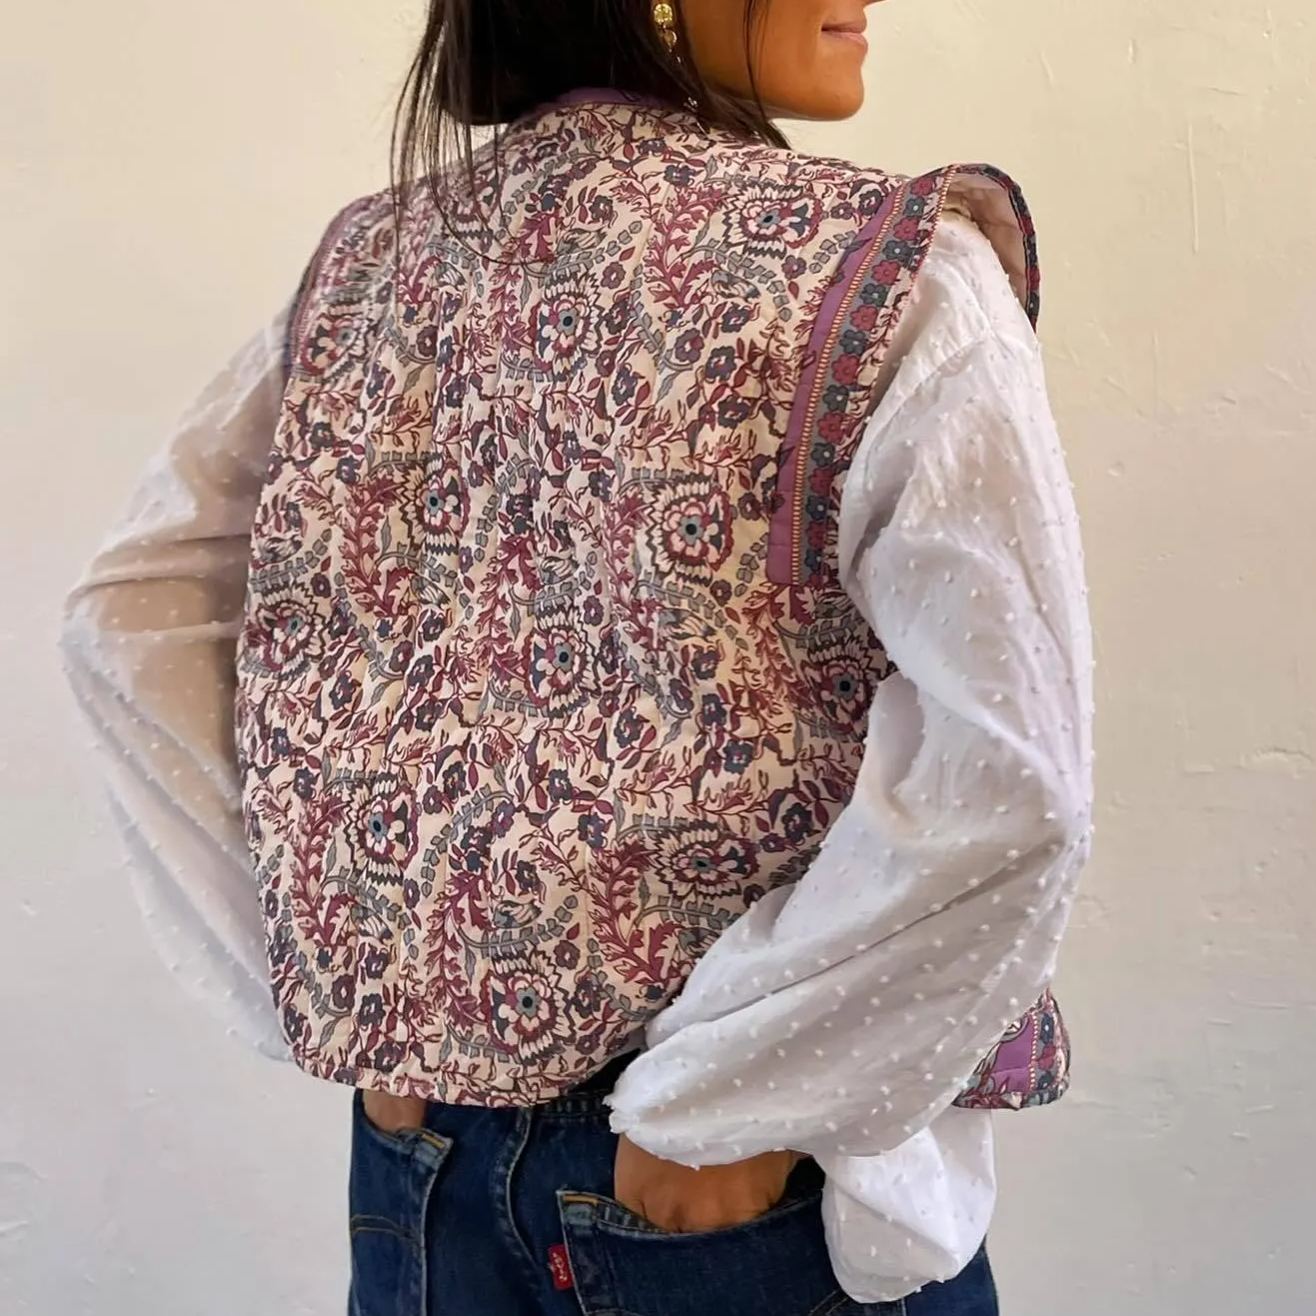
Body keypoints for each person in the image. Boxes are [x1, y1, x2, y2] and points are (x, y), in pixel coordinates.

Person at [60, 1, 1095, 1313]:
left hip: (427, 1160)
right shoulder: (888, 268)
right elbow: (1011, 771)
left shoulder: (376, 262)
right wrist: (730, 1100)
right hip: (738, 1184)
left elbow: (130, 615)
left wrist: (361, 980)